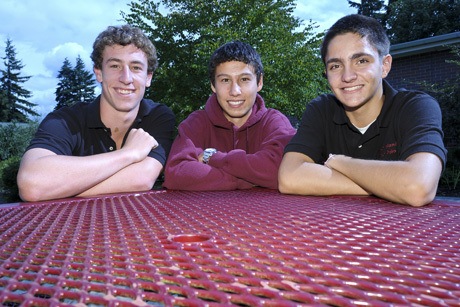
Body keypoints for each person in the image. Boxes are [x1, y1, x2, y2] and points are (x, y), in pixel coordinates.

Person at [278, 14, 447, 207]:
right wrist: (388, 185)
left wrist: (339, 162)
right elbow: (289, 177)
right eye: (335, 65)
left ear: (385, 66)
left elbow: (418, 187)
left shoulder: (415, 107)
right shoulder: (321, 110)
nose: (347, 76)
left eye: (361, 61)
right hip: (333, 229)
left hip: (403, 232)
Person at [17, 25, 176, 202]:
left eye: (136, 67)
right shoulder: (65, 120)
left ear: (148, 78)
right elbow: (32, 183)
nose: (126, 78)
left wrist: (60, 189)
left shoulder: (158, 116)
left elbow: (141, 179)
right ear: (99, 73)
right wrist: (128, 153)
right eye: (115, 66)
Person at [163, 41, 296, 190]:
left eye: (244, 79)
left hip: (269, 213)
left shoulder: (275, 122)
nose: (235, 91)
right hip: (206, 213)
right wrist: (245, 180)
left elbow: (283, 171)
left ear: (259, 82)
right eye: (225, 80)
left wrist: (213, 158)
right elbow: (176, 173)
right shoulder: (196, 123)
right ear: (213, 85)